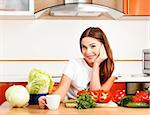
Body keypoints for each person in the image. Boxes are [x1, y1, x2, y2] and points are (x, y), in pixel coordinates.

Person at [38, 27, 117, 109]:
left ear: (103, 47)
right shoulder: (73, 64)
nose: (87, 52)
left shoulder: (111, 68)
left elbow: (97, 97)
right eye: (84, 47)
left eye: (93, 46)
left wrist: (96, 65)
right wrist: (47, 100)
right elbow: (61, 92)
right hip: (71, 110)